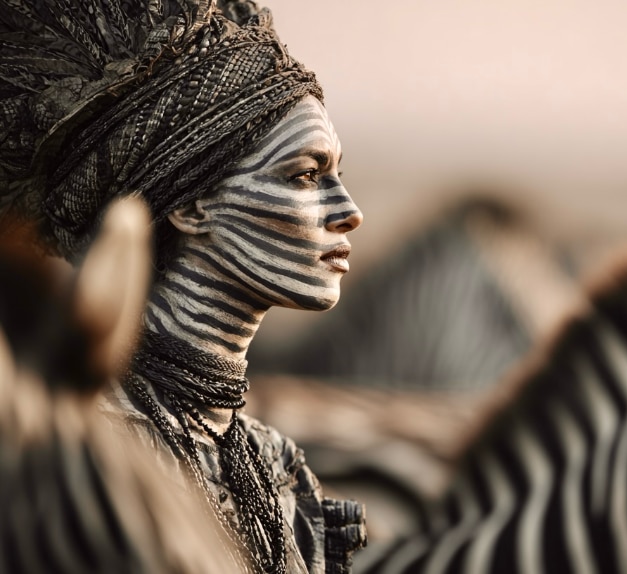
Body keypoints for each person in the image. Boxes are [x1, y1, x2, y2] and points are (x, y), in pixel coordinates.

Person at [0, 1, 366, 572]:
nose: (350, 212)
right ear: (192, 207)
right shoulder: (85, 458)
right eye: (305, 175)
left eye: (338, 174)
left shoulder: (276, 465)